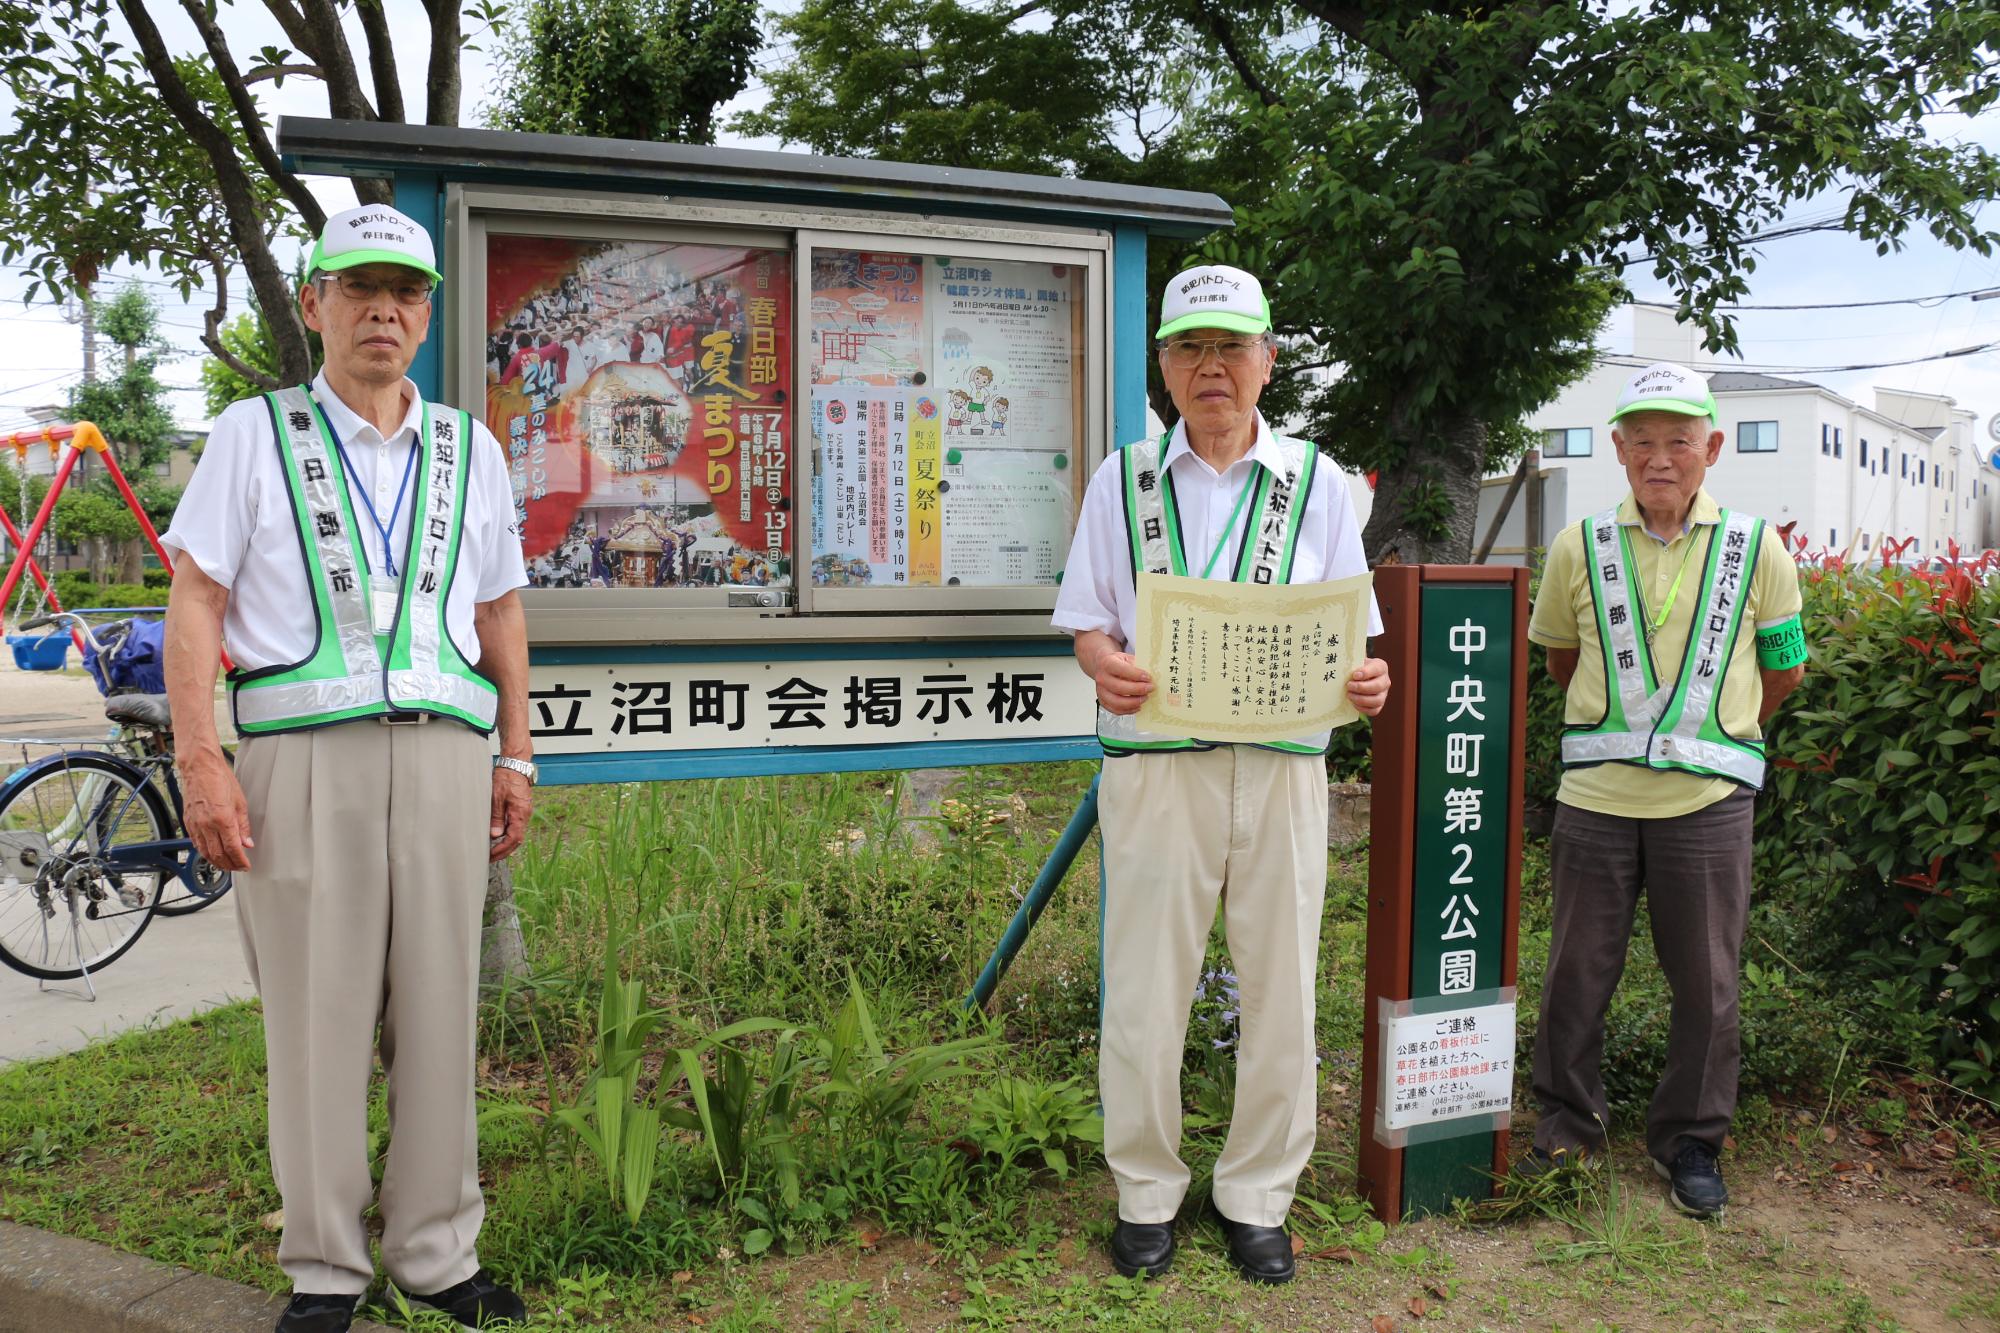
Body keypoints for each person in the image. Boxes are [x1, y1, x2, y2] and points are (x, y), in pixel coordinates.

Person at [161, 204, 536, 1333]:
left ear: (425, 316)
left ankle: (437, 1251)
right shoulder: (253, 433)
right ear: (314, 301)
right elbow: (197, 597)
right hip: (299, 763)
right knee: (315, 1018)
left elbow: (499, 605)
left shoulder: (473, 448)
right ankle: (324, 1265)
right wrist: (201, 759)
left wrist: (517, 749)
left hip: (443, 757)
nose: (383, 309)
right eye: (358, 287)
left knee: (439, 1011)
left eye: (405, 292)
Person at [1052, 264, 1391, 1284]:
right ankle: (1144, 1193)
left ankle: (1257, 1196)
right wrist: (1100, 662)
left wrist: (1368, 679)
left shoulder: (1319, 483)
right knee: (1146, 986)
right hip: (1157, 769)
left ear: (1267, 360)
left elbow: (1355, 639)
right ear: (1160, 363)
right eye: (1189, 347)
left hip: (1283, 769)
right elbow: (1087, 622)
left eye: (1231, 346)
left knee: (1282, 984)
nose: (1210, 367)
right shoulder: (1122, 478)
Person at [1524, 362, 1806, 1219]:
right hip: (1598, 801)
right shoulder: (1579, 545)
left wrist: (1712, 728)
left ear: (1712, 448)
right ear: (1617, 449)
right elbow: (1559, 660)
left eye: (1678, 440)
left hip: (1710, 806)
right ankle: (1566, 1128)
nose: (1659, 457)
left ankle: (1691, 1141)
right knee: (1575, 972)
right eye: (1641, 440)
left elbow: (1783, 671)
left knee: (1710, 982)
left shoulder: (1759, 547)